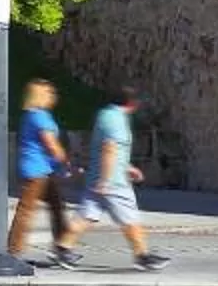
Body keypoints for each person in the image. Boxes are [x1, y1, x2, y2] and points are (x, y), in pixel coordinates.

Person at [58, 85, 169, 272]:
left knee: (86, 215)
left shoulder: (105, 115)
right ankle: (142, 256)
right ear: (132, 103)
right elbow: (110, 148)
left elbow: (112, 151)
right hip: (113, 182)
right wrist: (107, 179)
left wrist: (127, 167)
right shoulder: (116, 120)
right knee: (130, 218)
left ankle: (62, 249)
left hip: (99, 177)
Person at [7, 77, 73, 260]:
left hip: (42, 170)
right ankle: (13, 250)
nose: (54, 96)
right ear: (40, 96)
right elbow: (50, 144)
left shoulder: (31, 115)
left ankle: (62, 246)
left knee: (56, 206)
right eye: (50, 93)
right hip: (37, 171)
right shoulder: (39, 116)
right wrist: (64, 159)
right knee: (27, 210)